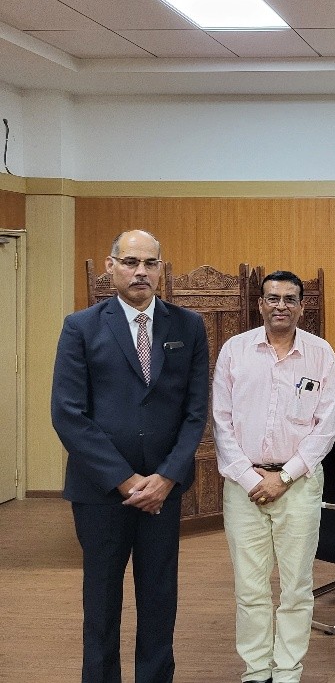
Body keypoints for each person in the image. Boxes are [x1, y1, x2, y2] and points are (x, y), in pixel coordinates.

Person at [51, 229, 209, 683]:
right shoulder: (81, 327)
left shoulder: (188, 326)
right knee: (101, 602)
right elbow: (68, 414)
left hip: (163, 492)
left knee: (159, 599)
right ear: (111, 266)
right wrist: (125, 479)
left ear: (161, 269)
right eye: (130, 262)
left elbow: (195, 411)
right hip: (101, 492)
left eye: (150, 263)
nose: (141, 271)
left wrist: (166, 477)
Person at [213, 270, 335, 683]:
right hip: (243, 486)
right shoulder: (235, 350)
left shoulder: (320, 353)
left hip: (299, 485)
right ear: (260, 304)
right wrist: (251, 478)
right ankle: (255, 670)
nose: (280, 306)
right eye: (272, 298)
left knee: (296, 587)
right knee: (250, 588)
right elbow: (221, 421)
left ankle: (287, 671)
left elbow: (327, 426)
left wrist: (283, 477)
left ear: (302, 306)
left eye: (289, 299)